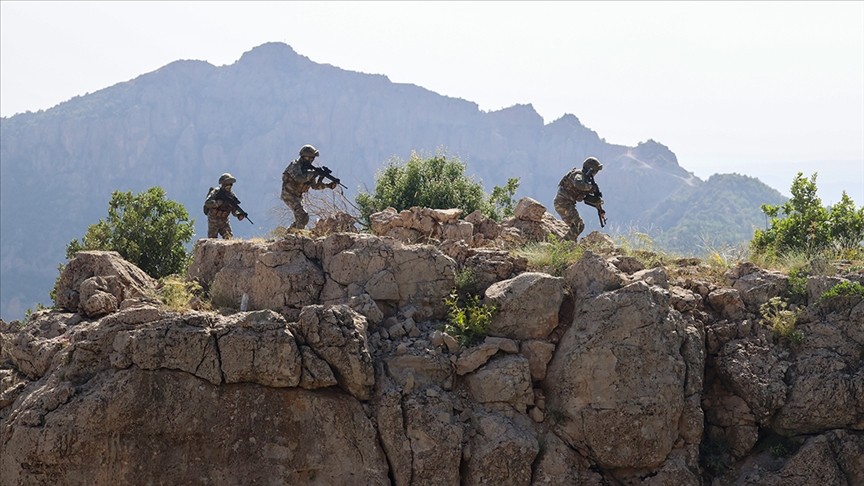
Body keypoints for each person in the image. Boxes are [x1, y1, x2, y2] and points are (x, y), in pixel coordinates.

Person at [281, 144, 338, 229]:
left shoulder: (309, 170)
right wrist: (314, 174)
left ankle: (289, 237)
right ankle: (297, 236)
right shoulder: (295, 165)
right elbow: (299, 178)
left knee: (299, 219)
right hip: (289, 195)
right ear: (305, 157)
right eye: (311, 158)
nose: (312, 160)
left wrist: (328, 185)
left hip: (298, 196)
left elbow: (315, 186)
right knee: (303, 216)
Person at [554, 157, 605, 241]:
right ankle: (562, 247)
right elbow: (579, 184)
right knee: (578, 225)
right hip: (563, 202)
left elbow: (585, 198)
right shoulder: (579, 174)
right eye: (595, 171)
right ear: (591, 169)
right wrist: (591, 188)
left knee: (576, 227)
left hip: (566, 203)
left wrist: (600, 209)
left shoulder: (586, 179)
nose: (595, 173)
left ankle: (569, 246)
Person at [204, 173, 245, 239]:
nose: (229, 186)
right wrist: (219, 203)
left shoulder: (231, 195)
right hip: (213, 220)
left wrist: (238, 214)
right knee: (212, 240)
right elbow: (207, 203)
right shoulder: (216, 192)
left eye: (230, 184)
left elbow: (234, 208)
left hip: (224, 221)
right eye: (227, 184)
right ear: (223, 184)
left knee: (229, 238)